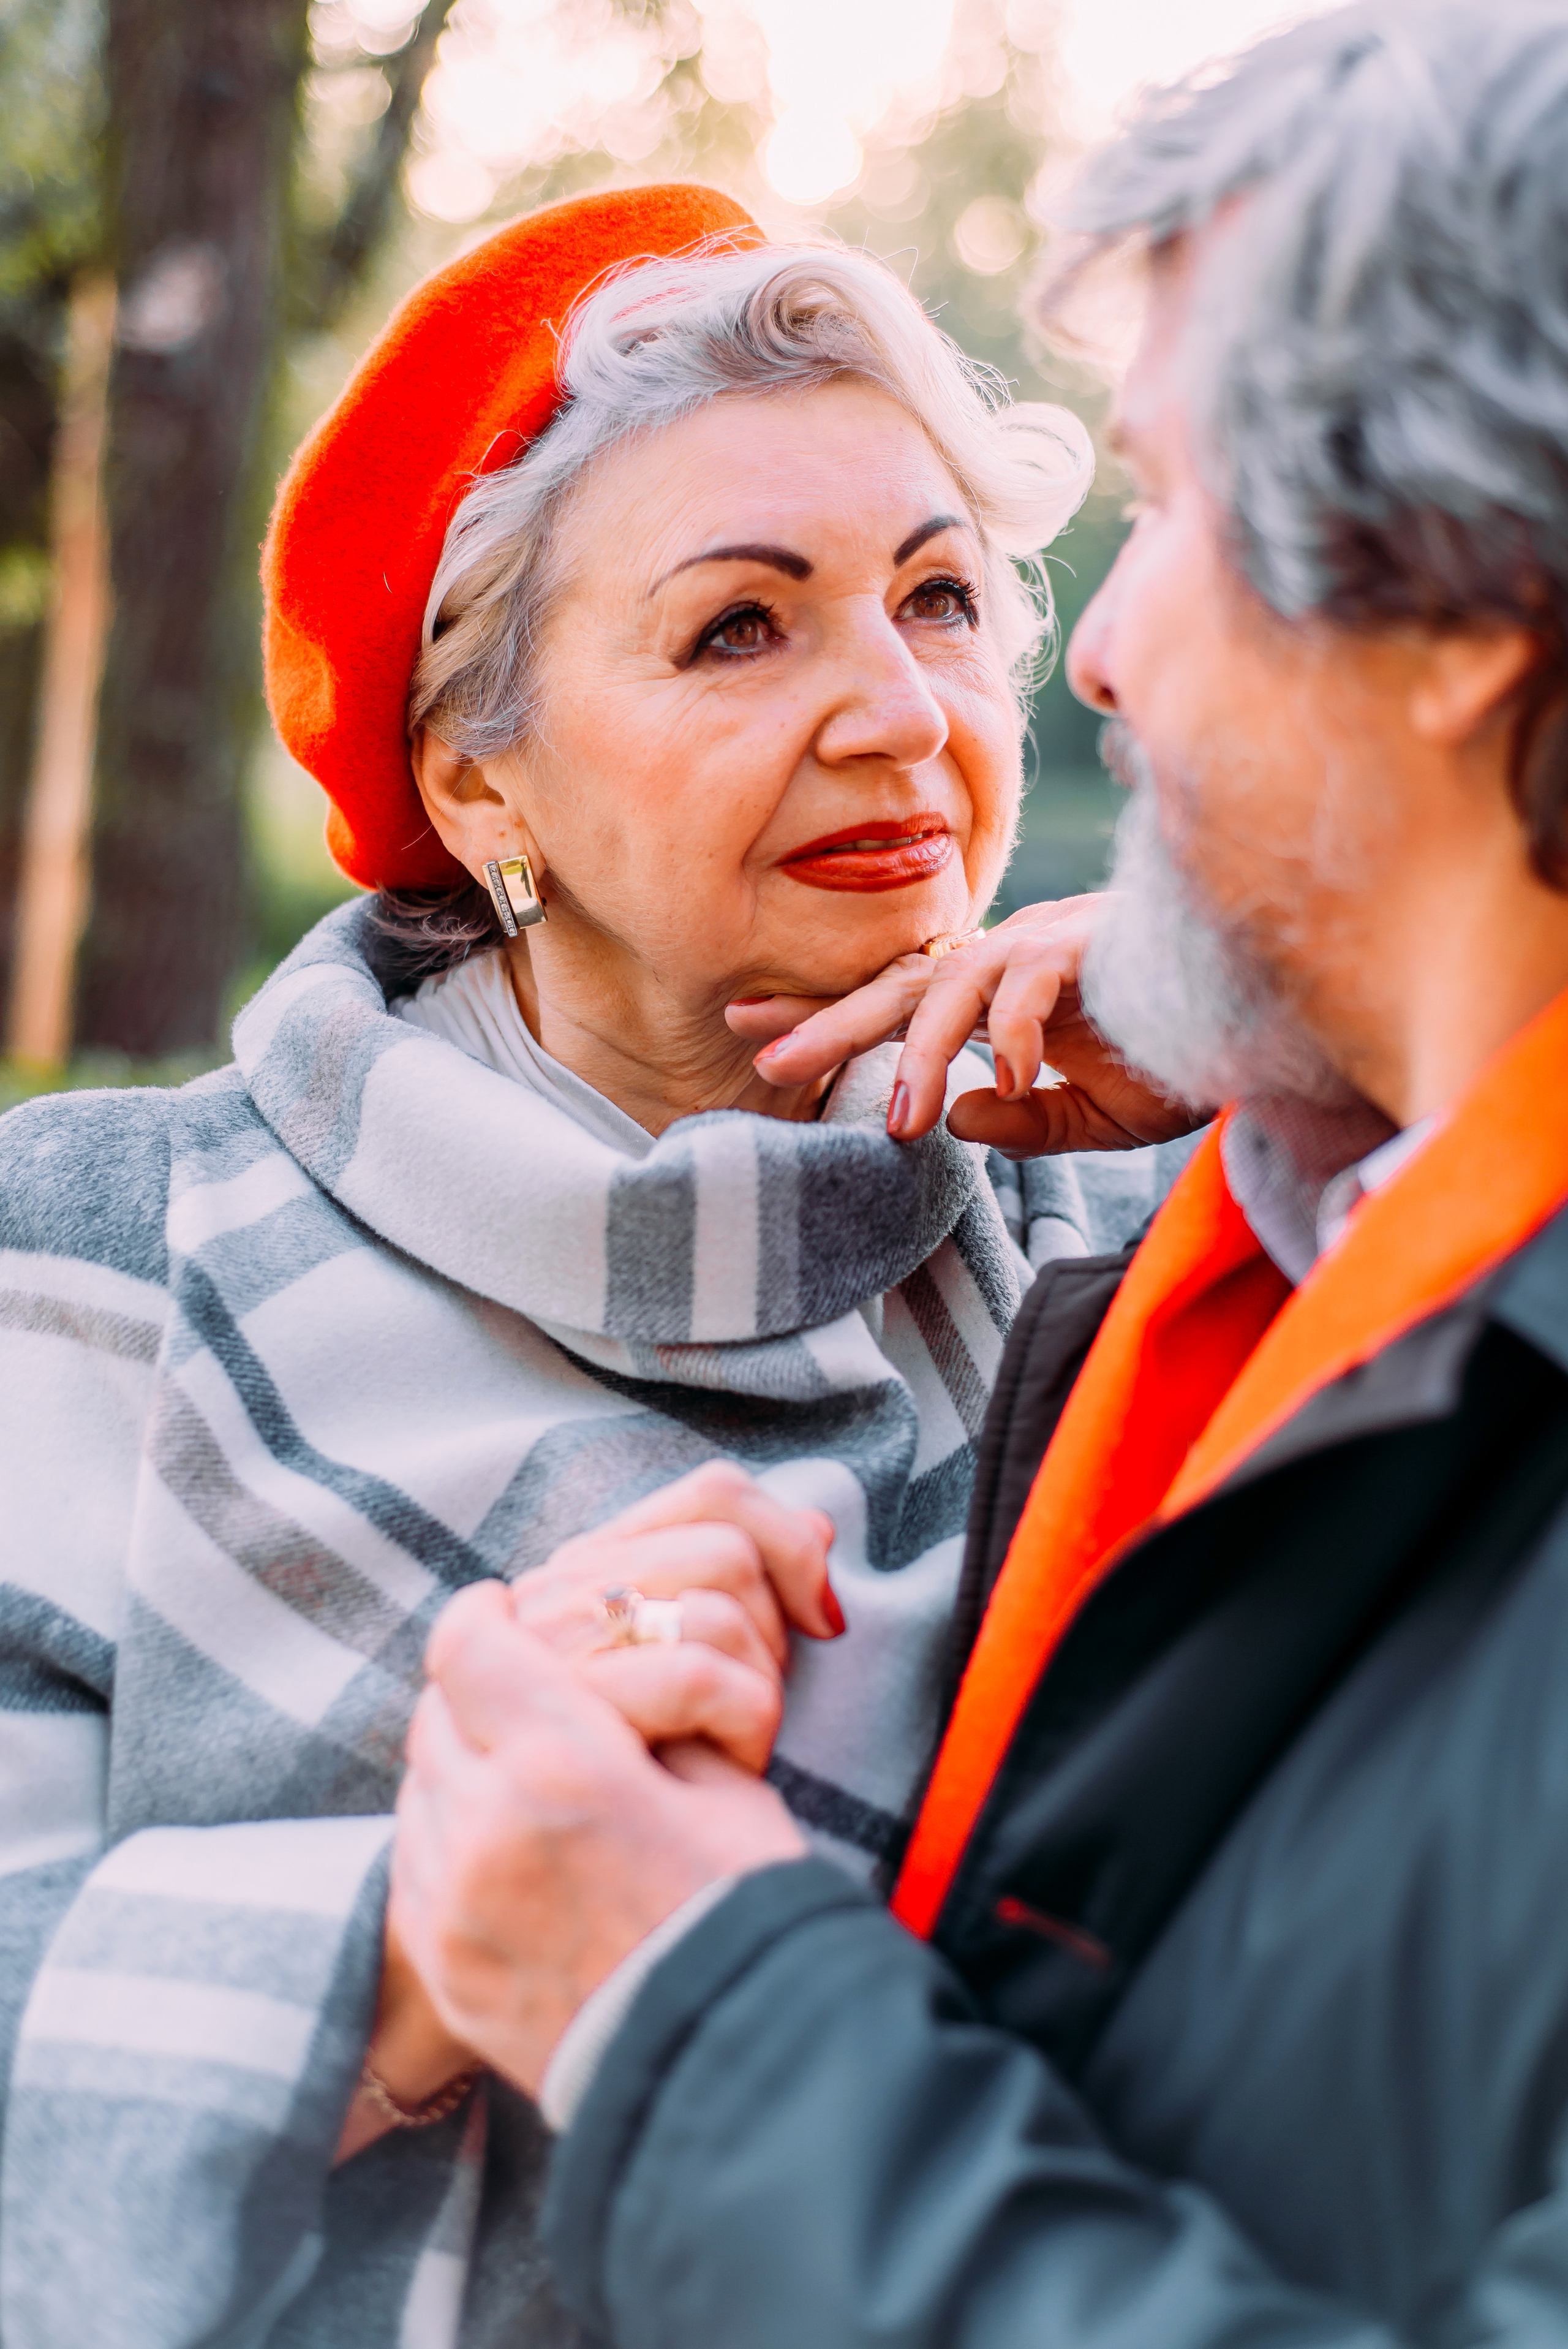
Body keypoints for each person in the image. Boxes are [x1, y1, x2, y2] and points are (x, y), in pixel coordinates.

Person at [388, 6, 1568, 2345]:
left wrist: (676, 2008)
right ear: (476, 789)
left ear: (1446, 599)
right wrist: (1314, 1048)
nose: (1078, 660)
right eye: (739, 622)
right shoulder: (1300, 1238)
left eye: (1184, 510)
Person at [0, 184, 1194, 2340]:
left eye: (939, 599)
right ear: (478, 780)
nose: (904, 714)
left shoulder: (1149, 1229)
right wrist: (426, 1932)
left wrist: (1307, 1071)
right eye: (745, 626)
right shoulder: (96, 1262)